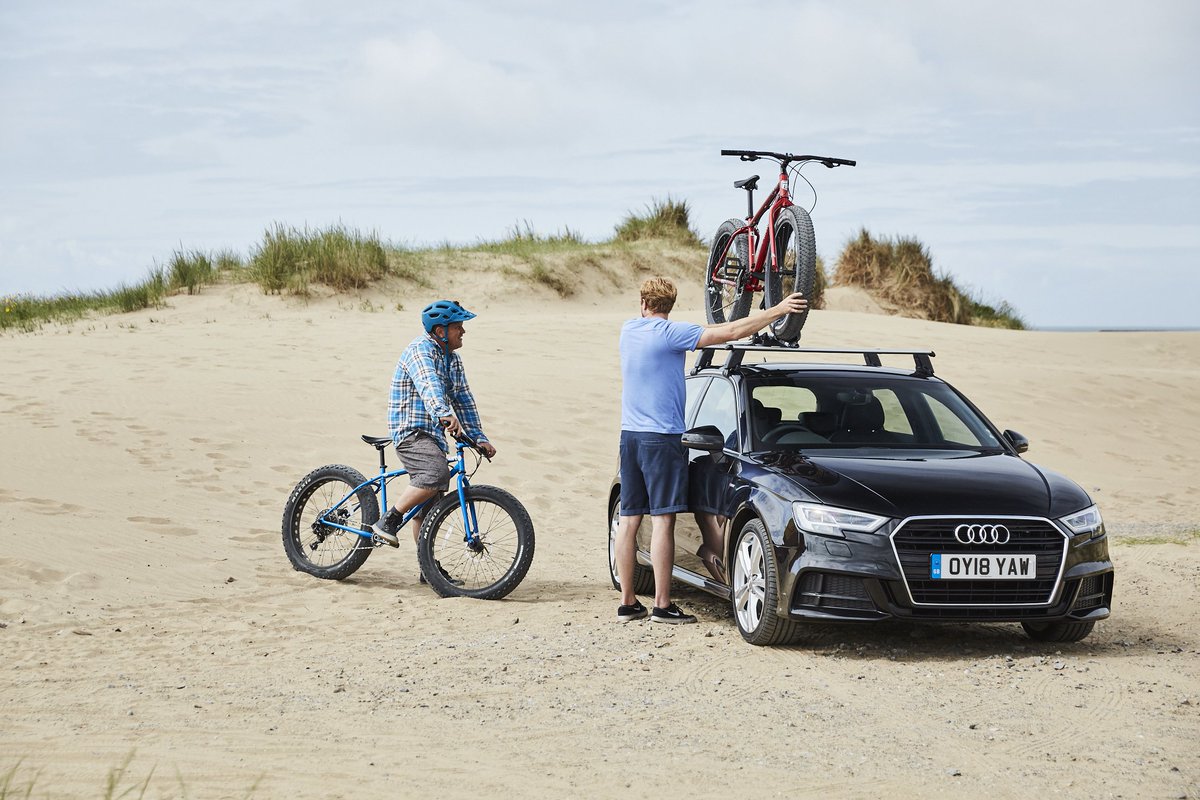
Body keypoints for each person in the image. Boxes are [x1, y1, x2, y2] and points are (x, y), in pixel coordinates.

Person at [614, 277, 807, 624]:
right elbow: (730, 332)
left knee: (628, 521)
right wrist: (777, 311)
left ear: (643, 304)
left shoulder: (629, 330)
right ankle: (661, 605)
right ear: (668, 308)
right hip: (662, 439)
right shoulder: (671, 334)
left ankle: (627, 603)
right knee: (662, 520)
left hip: (630, 437)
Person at [371, 300, 497, 583]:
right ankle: (388, 519)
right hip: (411, 432)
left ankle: (427, 569)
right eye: (458, 327)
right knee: (435, 473)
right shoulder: (421, 351)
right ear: (440, 331)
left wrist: (479, 437)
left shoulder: (453, 360)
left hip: (433, 436)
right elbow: (429, 386)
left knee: (428, 508)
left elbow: (464, 400)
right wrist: (444, 414)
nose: (463, 332)